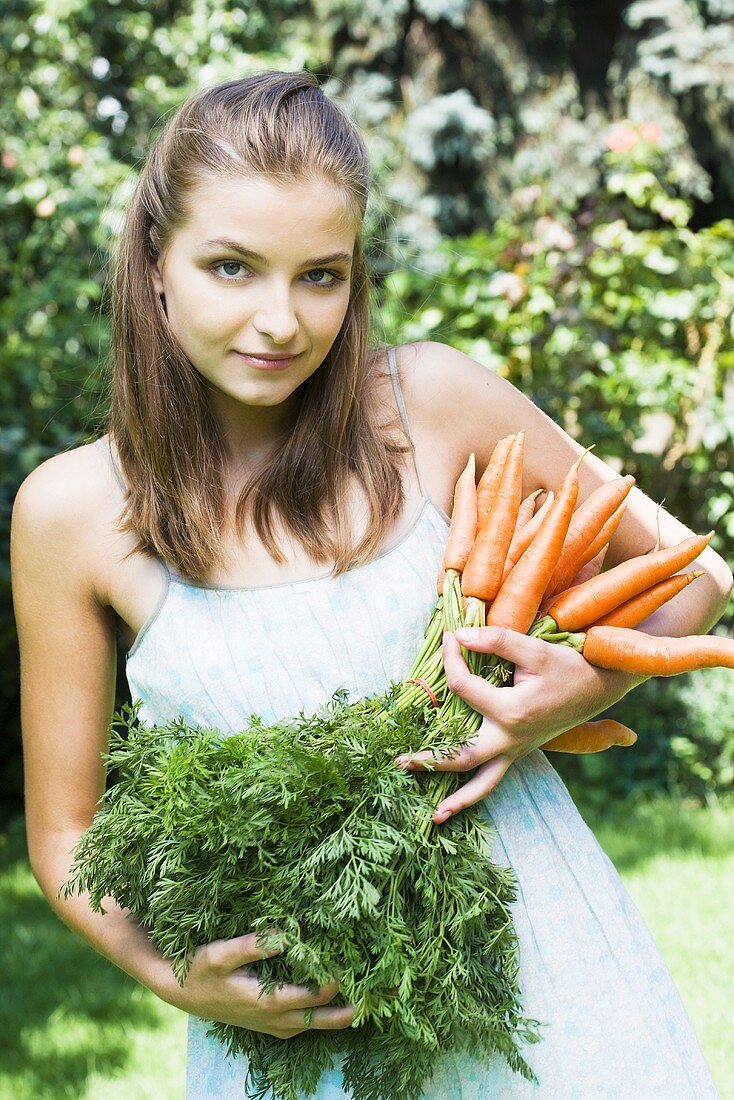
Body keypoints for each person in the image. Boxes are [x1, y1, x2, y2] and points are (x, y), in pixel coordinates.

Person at [11, 70, 729, 1099]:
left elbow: (695, 572)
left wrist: (580, 691)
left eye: (319, 275)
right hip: (302, 1034)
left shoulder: (424, 401)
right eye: (231, 267)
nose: (280, 320)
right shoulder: (69, 511)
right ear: (155, 265)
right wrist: (179, 978)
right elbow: (64, 836)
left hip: (540, 979)